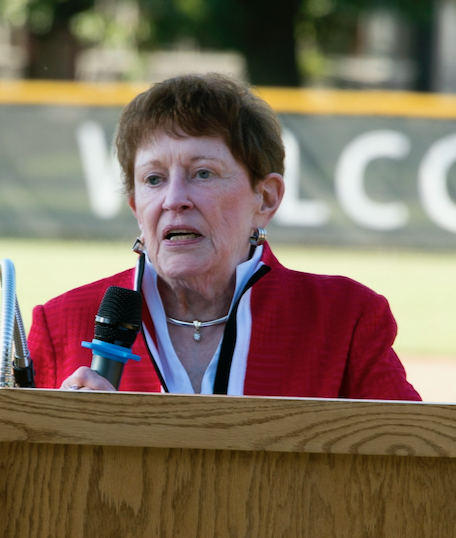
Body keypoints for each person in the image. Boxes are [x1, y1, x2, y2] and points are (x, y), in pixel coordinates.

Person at [28, 73, 420, 401]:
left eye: (203, 173)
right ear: (136, 206)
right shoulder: (63, 322)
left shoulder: (342, 319)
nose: (174, 199)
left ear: (265, 198)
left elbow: (414, 467)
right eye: (154, 179)